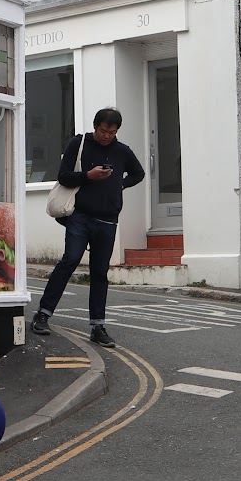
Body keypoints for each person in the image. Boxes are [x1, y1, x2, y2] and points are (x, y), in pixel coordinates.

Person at [29, 108, 146, 348]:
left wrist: (118, 185)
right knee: (70, 260)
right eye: (103, 131)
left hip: (108, 219)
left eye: (112, 132)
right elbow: (63, 177)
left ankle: (97, 326)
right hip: (80, 216)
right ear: (95, 126)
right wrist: (88, 176)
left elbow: (139, 173)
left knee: (100, 272)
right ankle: (42, 314)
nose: (107, 136)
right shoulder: (79, 143)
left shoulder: (122, 151)